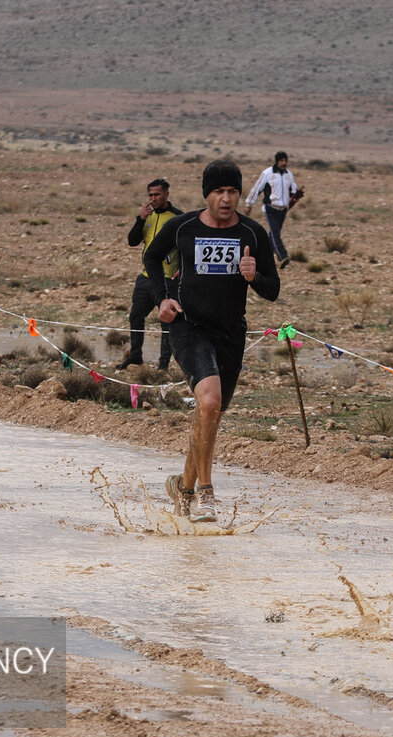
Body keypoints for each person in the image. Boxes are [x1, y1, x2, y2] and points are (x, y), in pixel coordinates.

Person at [144, 160, 281, 522]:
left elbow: (273, 290)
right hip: (189, 326)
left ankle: (182, 487)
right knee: (209, 401)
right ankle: (206, 493)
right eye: (219, 192)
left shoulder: (253, 234)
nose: (226, 199)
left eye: (233, 192)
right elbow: (151, 256)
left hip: (230, 332)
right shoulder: (182, 227)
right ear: (207, 194)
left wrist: (254, 278)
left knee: (210, 413)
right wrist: (162, 299)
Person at [119, 178, 182, 371]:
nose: (153, 198)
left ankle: (163, 366)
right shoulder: (147, 217)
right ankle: (135, 357)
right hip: (146, 278)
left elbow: (188, 246)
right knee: (136, 316)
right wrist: (140, 219)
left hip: (167, 279)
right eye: (150, 195)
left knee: (167, 322)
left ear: (166, 195)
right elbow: (132, 241)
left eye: (157, 194)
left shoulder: (178, 217)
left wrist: (184, 268)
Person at [243, 151, 301, 269]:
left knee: (272, 236)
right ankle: (282, 257)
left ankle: (263, 257)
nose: (284, 163)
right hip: (271, 208)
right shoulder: (268, 173)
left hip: (283, 209)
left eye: (285, 160)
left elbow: (292, 189)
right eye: (281, 160)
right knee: (275, 234)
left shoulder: (288, 174)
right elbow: (257, 188)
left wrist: (296, 195)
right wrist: (249, 203)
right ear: (277, 161)